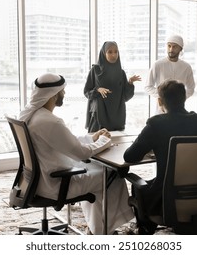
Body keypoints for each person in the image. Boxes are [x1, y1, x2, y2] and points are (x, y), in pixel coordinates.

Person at [19, 73, 134, 235]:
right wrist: (103, 141)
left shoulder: (31, 115)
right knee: (111, 174)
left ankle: (98, 227)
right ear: (53, 95)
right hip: (56, 183)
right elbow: (82, 154)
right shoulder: (50, 122)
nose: (64, 94)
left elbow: (64, 140)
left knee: (97, 169)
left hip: (38, 181)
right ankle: (102, 230)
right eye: (62, 90)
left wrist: (91, 138)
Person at [123, 79, 197, 234]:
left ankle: (145, 230)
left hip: (166, 197)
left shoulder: (156, 124)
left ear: (160, 101)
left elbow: (130, 156)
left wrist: (153, 144)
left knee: (139, 188)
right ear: (184, 98)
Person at [84, 41, 141, 133]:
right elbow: (86, 92)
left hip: (117, 118)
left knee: (118, 146)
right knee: (97, 145)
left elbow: (125, 97)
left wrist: (130, 83)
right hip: (99, 117)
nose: (113, 55)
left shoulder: (121, 73)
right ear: (103, 53)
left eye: (116, 52)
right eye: (109, 52)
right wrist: (98, 90)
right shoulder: (95, 70)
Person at [145, 34, 195, 114]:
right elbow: (148, 86)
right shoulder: (157, 64)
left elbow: (191, 88)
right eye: (169, 46)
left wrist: (180, 98)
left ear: (180, 48)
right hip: (160, 111)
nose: (171, 49)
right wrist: (163, 96)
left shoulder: (186, 67)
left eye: (174, 46)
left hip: (180, 111)